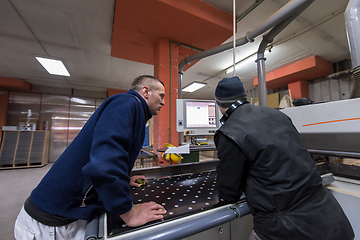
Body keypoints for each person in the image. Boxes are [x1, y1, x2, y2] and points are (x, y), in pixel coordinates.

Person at [14, 75, 167, 240]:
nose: (163, 102)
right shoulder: (127, 103)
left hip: (65, 216)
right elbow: (103, 164)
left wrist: (122, 179)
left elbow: (110, 154)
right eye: (161, 96)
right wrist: (129, 212)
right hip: (52, 223)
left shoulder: (136, 113)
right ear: (145, 91)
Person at [214, 76, 354, 240]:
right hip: (331, 218)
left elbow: (229, 193)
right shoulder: (279, 116)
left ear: (219, 105)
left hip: (286, 227)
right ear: (244, 97)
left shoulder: (229, 132)